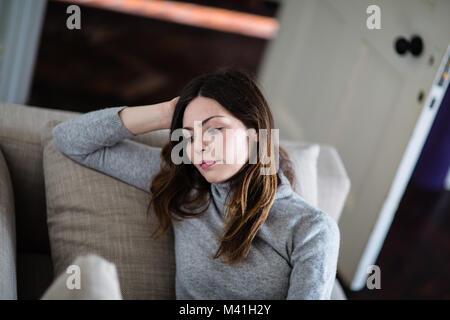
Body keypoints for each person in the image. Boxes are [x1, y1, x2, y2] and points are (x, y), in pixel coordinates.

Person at [50, 66, 340, 299]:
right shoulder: (186, 186)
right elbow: (70, 140)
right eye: (188, 135)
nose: (198, 146)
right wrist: (164, 114)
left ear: (253, 133)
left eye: (214, 129)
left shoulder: (311, 229)